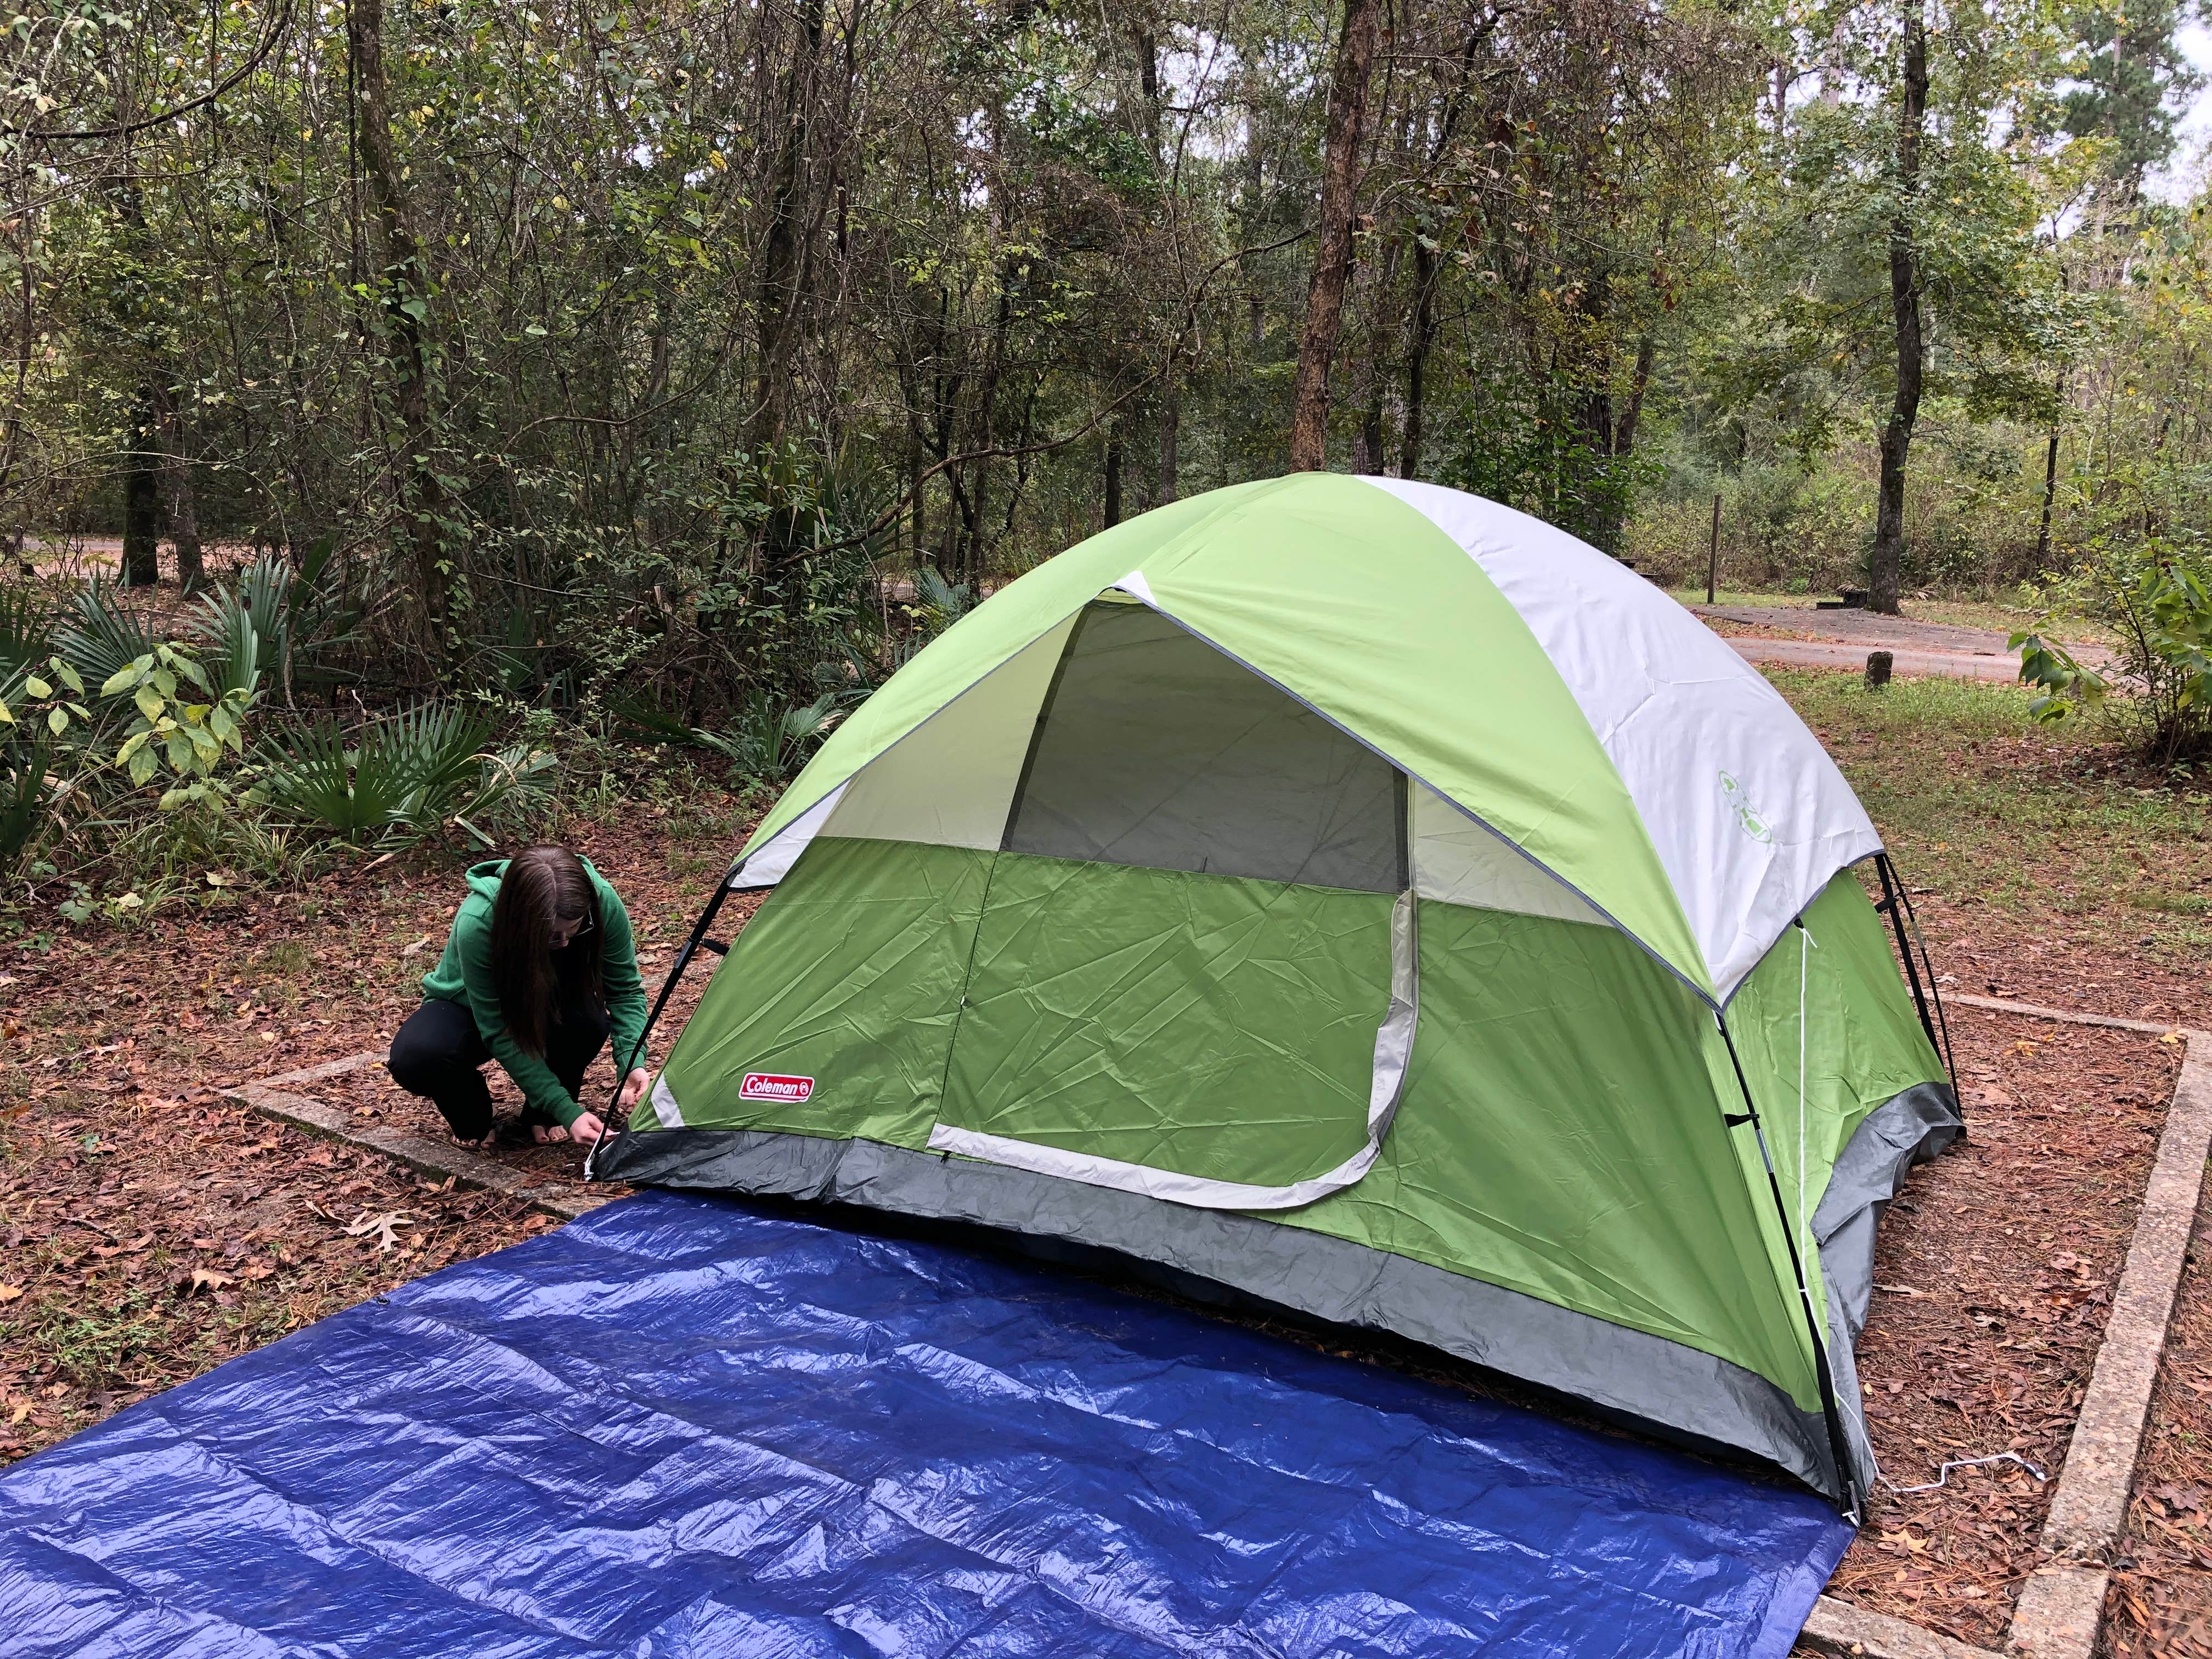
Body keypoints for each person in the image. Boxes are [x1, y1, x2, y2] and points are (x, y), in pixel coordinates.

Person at [388, 845, 652, 1147]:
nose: (564, 944)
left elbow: (625, 990)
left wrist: (631, 1061)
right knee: (418, 1057)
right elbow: (498, 1028)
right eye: (550, 935)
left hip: (552, 999)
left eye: (573, 929)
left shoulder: (601, 901)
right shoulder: (479, 920)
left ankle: (543, 1112)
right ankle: (472, 1115)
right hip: (470, 1006)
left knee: (588, 1021)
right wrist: (567, 1109)